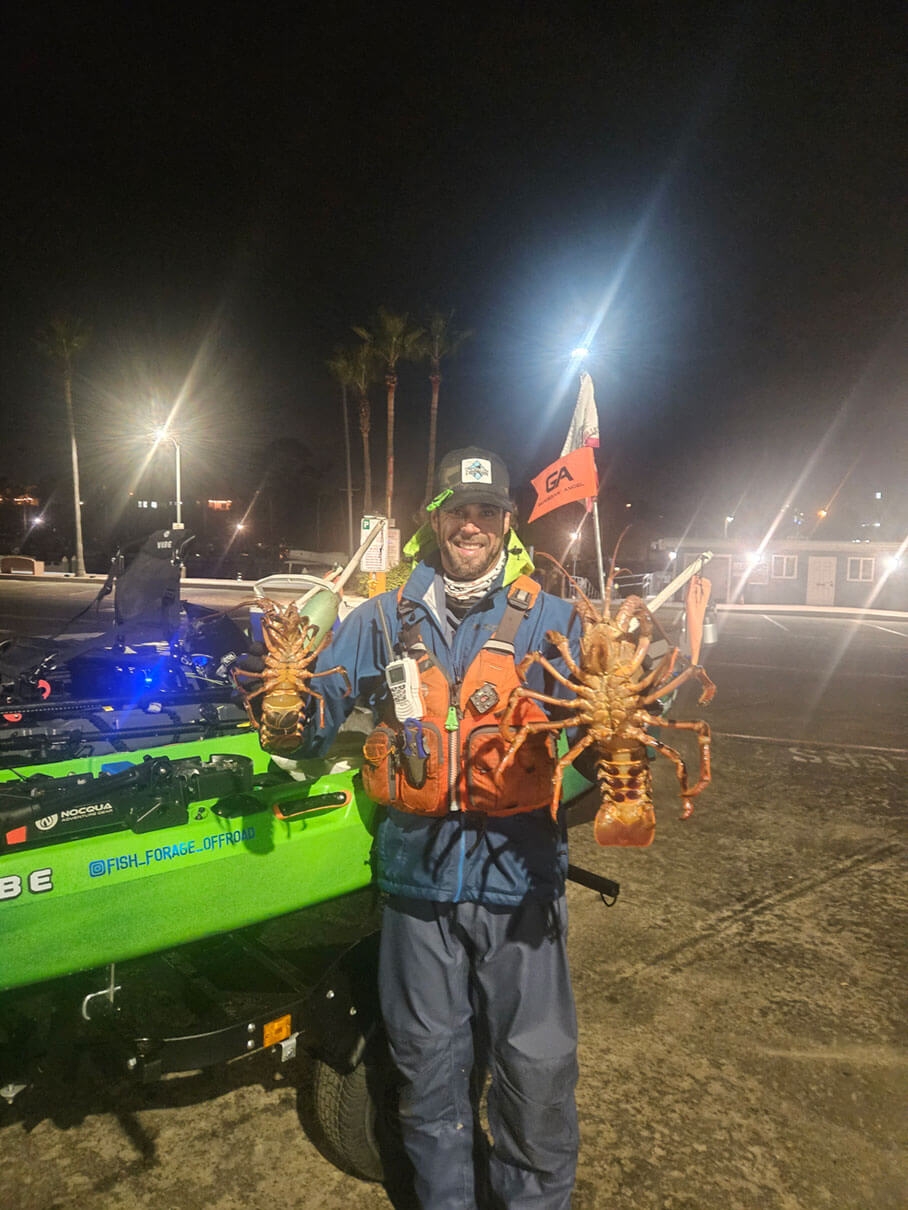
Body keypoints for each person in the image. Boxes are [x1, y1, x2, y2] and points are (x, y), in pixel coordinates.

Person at [292, 448, 584, 1209]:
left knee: (537, 1068)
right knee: (426, 1065)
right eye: (459, 510)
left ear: (507, 524)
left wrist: (631, 736)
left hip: (520, 882)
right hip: (415, 883)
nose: (472, 525)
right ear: (435, 519)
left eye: (487, 513)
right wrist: (285, 712)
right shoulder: (381, 617)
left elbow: (607, 722)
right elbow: (312, 714)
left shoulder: (552, 619)